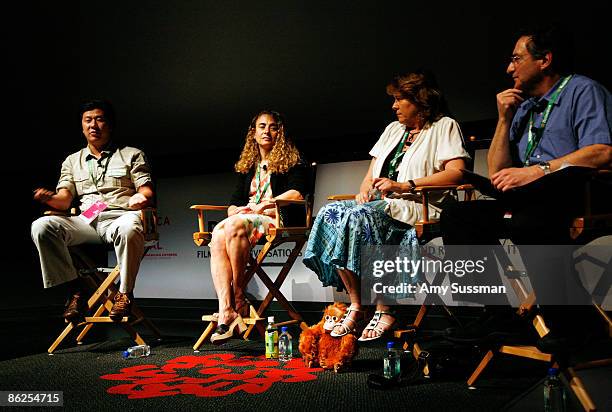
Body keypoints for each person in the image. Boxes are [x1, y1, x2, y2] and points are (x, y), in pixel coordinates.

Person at [441, 24, 612, 350]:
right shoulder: (522, 107)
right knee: (458, 215)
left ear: (545, 60)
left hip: (583, 190)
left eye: (516, 59)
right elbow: (497, 171)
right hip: (532, 195)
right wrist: (504, 120)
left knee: (531, 218)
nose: (509, 68)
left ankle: (571, 323)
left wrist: (538, 170)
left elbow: (602, 151)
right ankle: (499, 316)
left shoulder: (583, 91)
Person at [303, 72, 470, 342]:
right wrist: (363, 191)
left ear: (421, 101)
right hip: (383, 205)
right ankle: (357, 304)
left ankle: (385, 307)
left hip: (419, 205)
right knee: (329, 212)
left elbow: (457, 173)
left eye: (399, 99)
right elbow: (370, 176)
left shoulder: (444, 126)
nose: (393, 106)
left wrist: (406, 185)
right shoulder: (393, 130)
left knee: (359, 217)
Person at [31, 99, 154, 322]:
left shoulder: (131, 154)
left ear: (110, 124)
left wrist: (140, 197)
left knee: (130, 226)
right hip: (86, 221)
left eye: (99, 119)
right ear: (82, 125)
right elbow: (64, 201)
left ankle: (125, 293)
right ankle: (75, 291)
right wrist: (48, 198)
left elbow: (145, 191)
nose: (93, 125)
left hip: (120, 217)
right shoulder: (72, 161)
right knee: (42, 226)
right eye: (88, 120)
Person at [208, 110, 307, 344]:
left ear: (280, 133)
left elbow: (297, 193)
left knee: (233, 226)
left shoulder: (292, 161)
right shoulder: (248, 166)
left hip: (276, 217)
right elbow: (233, 203)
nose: (267, 131)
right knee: (219, 232)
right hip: (247, 218)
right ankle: (226, 310)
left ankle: (238, 298)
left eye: (273, 127)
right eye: (261, 126)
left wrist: (266, 204)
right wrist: (239, 210)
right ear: (253, 133)